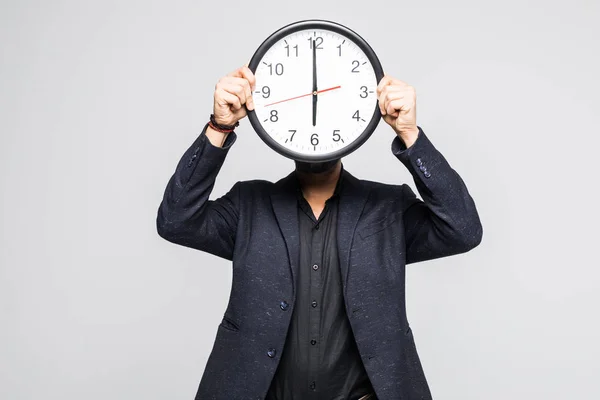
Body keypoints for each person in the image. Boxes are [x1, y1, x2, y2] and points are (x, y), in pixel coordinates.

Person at [156, 65, 482, 400]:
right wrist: (219, 127)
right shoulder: (248, 206)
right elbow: (176, 220)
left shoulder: (389, 209)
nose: (317, 131)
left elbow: (463, 230)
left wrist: (410, 135)